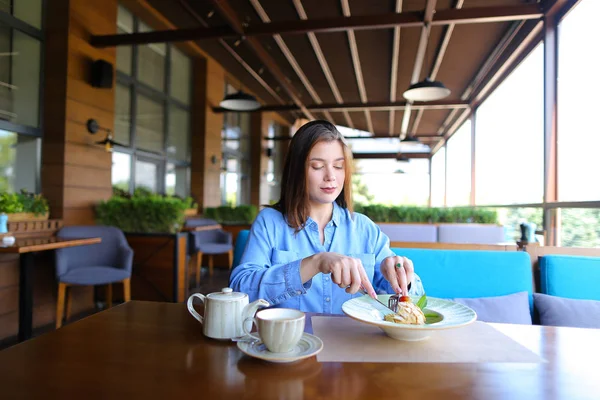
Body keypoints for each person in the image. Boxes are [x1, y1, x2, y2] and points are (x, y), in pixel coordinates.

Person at [229, 120, 424, 314]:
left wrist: (403, 280)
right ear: (297, 170)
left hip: (353, 342)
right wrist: (315, 263)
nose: (330, 176)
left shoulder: (364, 228)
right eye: (317, 166)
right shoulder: (270, 222)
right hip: (291, 343)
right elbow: (240, 290)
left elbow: (399, 306)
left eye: (338, 166)